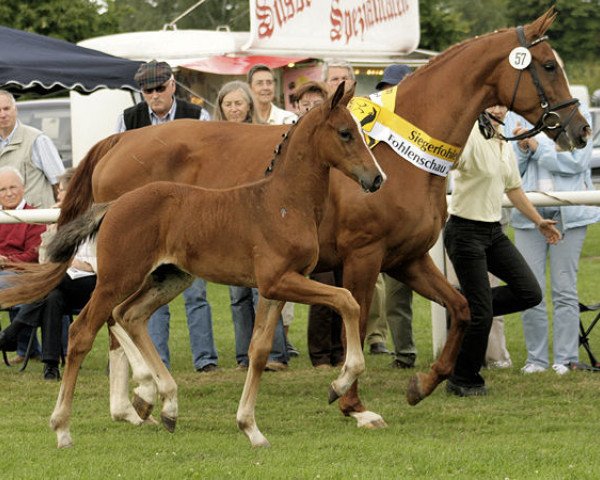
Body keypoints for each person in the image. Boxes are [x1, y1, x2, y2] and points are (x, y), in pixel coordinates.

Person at [444, 105, 561, 397]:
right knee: (482, 314)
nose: (499, 107)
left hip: (493, 232)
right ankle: (462, 379)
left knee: (530, 292)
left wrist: (539, 222)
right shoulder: (470, 133)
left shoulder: (503, 140)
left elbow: (514, 189)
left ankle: (464, 307)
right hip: (464, 231)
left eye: (502, 103)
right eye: (492, 102)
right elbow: (450, 162)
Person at [116, 60, 217, 373]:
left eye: (161, 87)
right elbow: (119, 167)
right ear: (141, 92)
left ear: (173, 85)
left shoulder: (199, 115)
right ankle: (156, 359)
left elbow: (211, 166)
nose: (155, 94)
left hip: (190, 212)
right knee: (150, 291)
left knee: (195, 290)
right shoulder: (127, 119)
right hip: (147, 217)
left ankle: (206, 360)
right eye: (148, 90)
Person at [505, 104, 600, 375]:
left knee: (564, 289)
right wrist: (523, 151)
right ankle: (536, 360)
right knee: (530, 289)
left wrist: (537, 147)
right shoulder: (514, 115)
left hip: (570, 213)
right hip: (528, 214)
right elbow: (510, 169)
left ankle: (566, 358)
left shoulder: (576, 115)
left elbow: (577, 162)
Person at [214, 80, 289, 371]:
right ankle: (244, 356)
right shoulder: (215, 139)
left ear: (249, 105)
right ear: (221, 108)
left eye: (238, 103)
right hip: (230, 219)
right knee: (237, 294)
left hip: (260, 218)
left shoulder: (263, 136)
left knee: (266, 288)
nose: (234, 109)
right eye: (228, 104)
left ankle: (275, 354)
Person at [0, 237, 96, 380]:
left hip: (93, 285)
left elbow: (106, 264)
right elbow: (45, 259)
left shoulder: (104, 225)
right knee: (52, 297)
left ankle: (12, 332)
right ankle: (51, 366)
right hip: (62, 283)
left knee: (49, 282)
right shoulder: (70, 226)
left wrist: (72, 263)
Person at [0, 167, 47, 361]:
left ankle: (20, 347)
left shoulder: (37, 216)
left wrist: (6, 262)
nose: (8, 193)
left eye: (13, 187)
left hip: (26, 273)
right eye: (2, 189)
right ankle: (27, 349)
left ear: (23, 188)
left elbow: (34, 255)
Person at [0, 90, 65, 208]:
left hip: (36, 221)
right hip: (5, 221)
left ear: (15, 110)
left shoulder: (37, 139)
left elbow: (60, 184)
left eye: (6, 109)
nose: (3, 114)